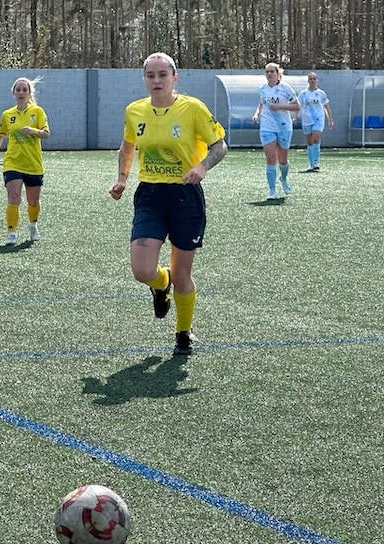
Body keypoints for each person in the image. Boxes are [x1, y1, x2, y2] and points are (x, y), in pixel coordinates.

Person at [108, 52, 228, 355]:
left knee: (183, 273)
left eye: (163, 74)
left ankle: (183, 332)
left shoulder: (193, 108)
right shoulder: (134, 111)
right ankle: (162, 285)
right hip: (150, 195)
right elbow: (127, 147)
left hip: (186, 197)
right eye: (150, 75)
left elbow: (219, 145)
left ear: (175, 78)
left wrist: (202, 167)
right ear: (144, 79)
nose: (157, 80)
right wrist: (122, 179)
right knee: (142, 270)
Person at [0, 77, 50, 245]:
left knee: (33, 201)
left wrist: (33, 131)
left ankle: (33, 225)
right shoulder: (7, 115)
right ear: (14, 93)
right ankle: (12, 232)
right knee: (13, 196)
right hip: (13, 162)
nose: (21, 92)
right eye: (18, 90)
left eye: (25, 90)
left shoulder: (37, 112)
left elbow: (46, 134)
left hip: (33, 164)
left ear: (29, 93)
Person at [251, 62, 299, 199]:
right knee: (271, 158)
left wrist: (280, 106)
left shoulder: (285, 88)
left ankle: (283, 178)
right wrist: (257, 115)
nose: (269, 74)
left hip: (284, 126)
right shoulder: (263, 88)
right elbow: (262, 104)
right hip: (267, 126)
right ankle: (272, 191)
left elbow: (296, 106)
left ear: (278, 73)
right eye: (267, 72)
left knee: (282, 160)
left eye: (272, 71)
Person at [297, 72, 333, 172]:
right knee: (309, 142)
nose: (312, 81)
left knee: (316, 138)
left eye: (314, 79)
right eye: (311, 79)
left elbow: (326, 107)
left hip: (318, 119)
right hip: (307, 120)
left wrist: (330, 119)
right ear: (308, 81)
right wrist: (294, 117)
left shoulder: (321, 93)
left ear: (317, 80)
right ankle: (311, 164)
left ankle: (316, 163)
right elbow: (298, 106)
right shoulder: (303, 94)